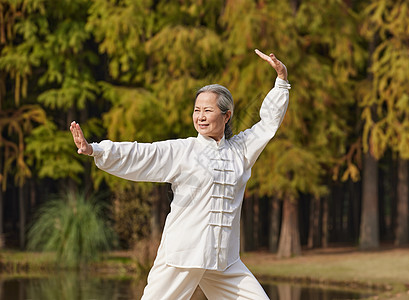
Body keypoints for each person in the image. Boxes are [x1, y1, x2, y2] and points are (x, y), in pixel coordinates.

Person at [70, 49, 290, 300]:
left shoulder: (241, 151)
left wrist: (281, 81)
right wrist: (96, 150)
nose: (200, 116)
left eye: (208, 110)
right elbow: (143, 154)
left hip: (224, 261)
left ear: (226, 115)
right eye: (197, 110)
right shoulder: (185, 150)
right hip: (183, 256)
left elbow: (267, 125)